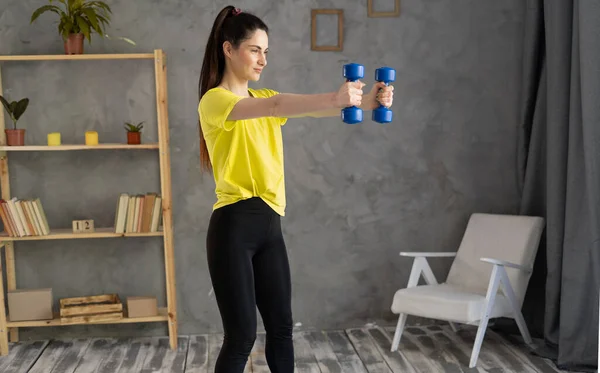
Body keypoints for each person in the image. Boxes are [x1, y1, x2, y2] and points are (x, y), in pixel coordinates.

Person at [197, 5, 394, 373]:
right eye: (255, 50)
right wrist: (336, 98)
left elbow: (305, 109)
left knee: (282, 329)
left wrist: (369, 101)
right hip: (234, 228)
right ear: (228, 49)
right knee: (241, 337)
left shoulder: (262, 98)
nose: (262, 60)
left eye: (266, 52)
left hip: (270, 227)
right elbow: (277, 105)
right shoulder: (216, 101)